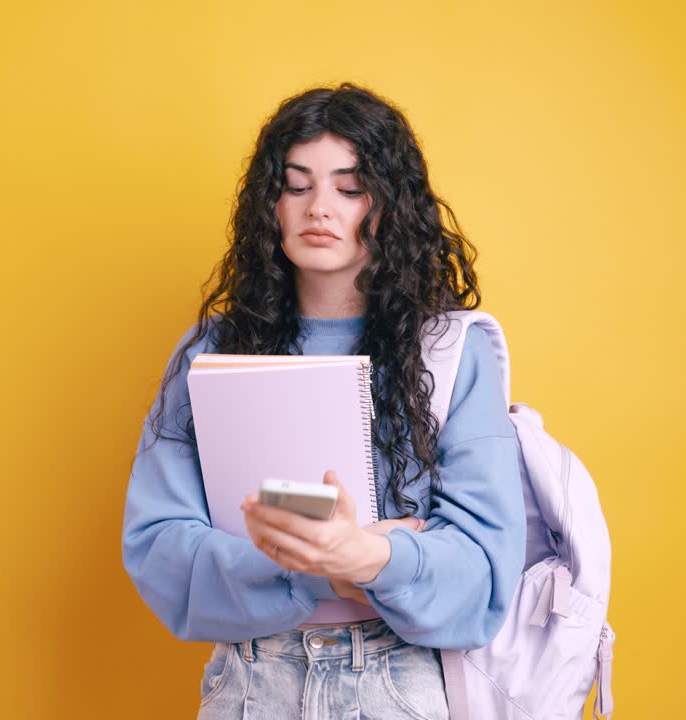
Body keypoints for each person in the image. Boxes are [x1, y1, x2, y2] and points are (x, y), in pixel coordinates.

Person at [121, 82, 526, 720]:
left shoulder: (452, 350)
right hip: (251, 683)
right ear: (270, 204)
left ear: (390, 205)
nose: (320, 208)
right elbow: (159, 549)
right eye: (297, 184)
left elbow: (484, 579)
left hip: (399, 684)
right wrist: (335, 565)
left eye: (350, 186)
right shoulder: (214, 349)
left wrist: (363, 557)